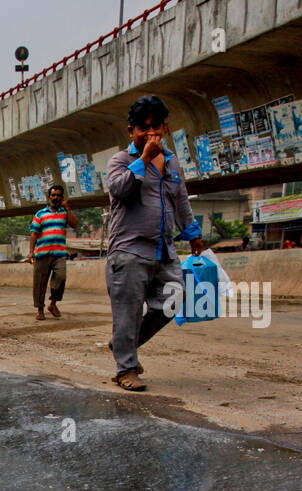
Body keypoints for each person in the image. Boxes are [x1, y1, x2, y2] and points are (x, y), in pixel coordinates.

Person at [103, 94, 204, 391]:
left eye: (156, 127)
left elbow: (181, 200)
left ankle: (123, 344)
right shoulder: (121, 161)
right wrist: (145, 159)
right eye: (143, 128)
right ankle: (126, 369)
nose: (151, 133)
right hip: (129, 250)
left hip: (164, 249)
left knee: (173, 300)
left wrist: (192, 232)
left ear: (165, 127)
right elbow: (120, 191)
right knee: (128, 312)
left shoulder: (172, 163)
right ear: (131, 131)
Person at [27, 183, 77, 320]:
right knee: (40, 283)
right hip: (42, 253)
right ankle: (40, 309)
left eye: (58, 196)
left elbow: (74, 224)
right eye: (53, 195)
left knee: (61, 278)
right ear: (49, 197)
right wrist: (31, 252)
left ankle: (53, 303)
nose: (55, 198)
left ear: (62, 198)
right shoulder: (40, 214)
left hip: (59, 254)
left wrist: (67, 208)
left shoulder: (64, 213)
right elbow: (33, 235)